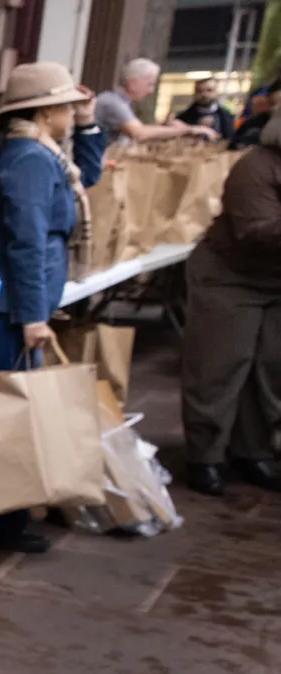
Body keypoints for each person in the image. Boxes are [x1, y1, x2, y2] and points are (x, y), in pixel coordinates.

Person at [0, 63, 108, 551]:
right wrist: (32, 316)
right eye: (68, 107)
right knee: (10, 412)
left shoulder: (41, 154)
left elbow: (85, 177)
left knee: (11, 409)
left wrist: (89, 125)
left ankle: (7, 514)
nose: (72, 113)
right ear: (45, 110)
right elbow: (26, 242)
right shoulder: (28, 159)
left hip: (20, 303)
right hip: (13, 308)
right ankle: (1, 519)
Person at [181, 114, 281, 496]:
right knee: (218, 368)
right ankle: (204, 457)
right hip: (229, 278)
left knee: (269, 370)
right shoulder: (257, 166)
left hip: (276, 282)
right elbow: (255, 231)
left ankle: (252, 453)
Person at [96, 58, 217, 144]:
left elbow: (139, 130)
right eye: (149, 84)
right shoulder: (113, 103)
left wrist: (168, 129)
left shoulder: (120, 102)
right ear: (133, 83)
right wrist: (187, 130)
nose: (151, 91)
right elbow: (139, 133)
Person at [231, 85, 273, 150]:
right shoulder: (249, 123)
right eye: (256, 103)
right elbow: (233, 144)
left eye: (262, 103)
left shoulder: (273, 122)